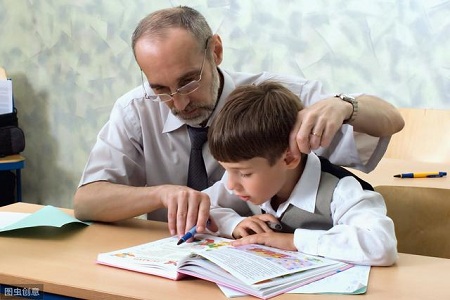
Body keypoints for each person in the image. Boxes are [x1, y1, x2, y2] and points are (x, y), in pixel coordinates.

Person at [73, 6, 404, 239]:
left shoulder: (278, 100)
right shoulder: (135, 109)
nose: (179, 102)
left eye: (189, 81)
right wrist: (163, 195)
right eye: (160, 89)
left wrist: (344, 105)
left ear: (215, 51)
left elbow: (393, 120)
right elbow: (87, 202)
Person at [206, 81, 397, 266]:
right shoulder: (243, 178)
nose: (230, 184)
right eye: (226, 169)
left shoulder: (341, 191)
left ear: (289, 159)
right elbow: (203, 206)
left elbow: (382, 244)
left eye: (244, 173)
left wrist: (293, 241)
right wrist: (234, 224)